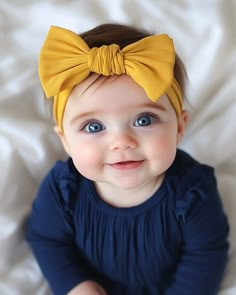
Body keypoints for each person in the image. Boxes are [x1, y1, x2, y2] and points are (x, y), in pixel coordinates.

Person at [27, 23, 229, 295]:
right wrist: (76, 285)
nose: (121, 142)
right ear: (65, 140)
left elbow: (205, 256)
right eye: (94, 127)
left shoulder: (193, 193)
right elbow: (47, 240)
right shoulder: (64, 191)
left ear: (179, 128)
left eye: (144, 120)